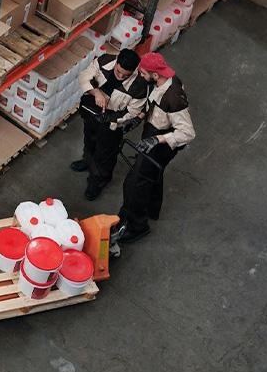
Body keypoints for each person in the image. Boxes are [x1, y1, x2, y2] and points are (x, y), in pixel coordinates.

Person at [112, 52, 195, 243]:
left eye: (142, 73)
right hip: (153, 132)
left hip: (162, 144)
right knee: (152, 176)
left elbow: (188, 133)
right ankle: (152, 209)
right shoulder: (163, 82)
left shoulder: (174, 97)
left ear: (155, 74)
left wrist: (158, 140)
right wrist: (138, 119)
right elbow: (156, 108)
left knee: (134, 185)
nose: (140, 76)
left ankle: (136, 225)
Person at [71, 48, 148, 201]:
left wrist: (110, 119)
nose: (120, 77)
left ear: (134, 71)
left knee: (105, 153)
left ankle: (98, 180)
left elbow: (132, 113)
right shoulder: (105, 61)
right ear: (117, 61)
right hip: (93, 112)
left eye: (125, 75)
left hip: (114, 122)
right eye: (118, 71)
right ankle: (87, 160)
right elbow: (84, 76)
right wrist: (96, 93)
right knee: (90, 139)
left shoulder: (139, 86)